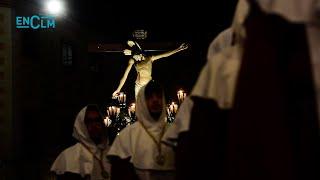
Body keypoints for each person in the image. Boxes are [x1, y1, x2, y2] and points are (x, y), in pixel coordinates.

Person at [108, 80, 175, 180]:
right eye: (149, 97)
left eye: (159, 96)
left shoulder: (174, 131)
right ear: (142, 102)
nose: (155, 100)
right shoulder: (129, 134)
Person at [51, 105, 111, 180]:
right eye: (89, 121)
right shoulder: (69, 156)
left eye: (97, 120)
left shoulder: (111, 152)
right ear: (81, 125)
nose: (94, 125)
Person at [112, 41, 188, 98]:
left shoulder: (150, 58)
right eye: (134, 57)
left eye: (135, 56)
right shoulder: (132, 60)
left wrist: (179, 49)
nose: (135, 58)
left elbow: (165, 55)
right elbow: (125, 76)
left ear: (140, 53)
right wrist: (118, 89)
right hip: (138, 86)